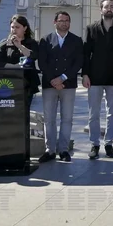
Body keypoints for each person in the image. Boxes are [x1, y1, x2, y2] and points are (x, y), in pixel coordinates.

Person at [83, 0, 113, 160]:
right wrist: (85, 74)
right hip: (94, 77)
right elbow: (86, 53)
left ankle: (108, 144)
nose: (109, 9)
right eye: (106, 6)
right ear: (101, 9)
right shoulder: (91, 28)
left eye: (111, 6)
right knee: (93, 113)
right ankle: (94, 144)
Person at [38, 11, 83, 163]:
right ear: (55, 22)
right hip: (49, 84)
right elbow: (42, 62)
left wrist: (62, 78)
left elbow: (77, 63)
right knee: (49, 119)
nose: (64, 23)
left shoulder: (77, 40)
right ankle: (49, 150)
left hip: (68, 84)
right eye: (61, 20)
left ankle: (63, 150)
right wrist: (53, 80)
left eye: (67, 20)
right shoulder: (45, 40)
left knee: (67, 119)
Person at [0, 15, 40, 110]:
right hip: (8, 84)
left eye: (17, 27)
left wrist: (19, 46)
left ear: (25, 28)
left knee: (23, 113)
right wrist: (14, 66)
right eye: (12, 27)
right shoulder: (4, 43)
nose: (14, 30)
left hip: (26, 83)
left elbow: (33, 56)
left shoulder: (32, 43)